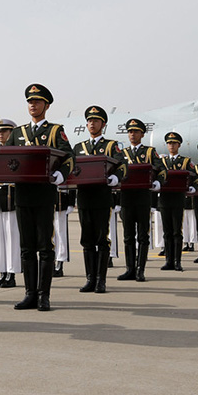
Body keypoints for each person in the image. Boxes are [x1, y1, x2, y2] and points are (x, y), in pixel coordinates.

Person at [6, 83, 75, 311]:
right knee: (26, 247)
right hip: (23, 195)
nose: (32, 105)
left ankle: (44, 295)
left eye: (37, 101)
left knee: (45, 246)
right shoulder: (17, 133)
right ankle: (30, 294)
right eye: (30, 101)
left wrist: (60, 174)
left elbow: (69, 157)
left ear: (46, 105)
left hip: (45, 195)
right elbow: (6, 158)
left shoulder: (55, 131)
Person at [72, 106, 123, 293]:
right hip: (84, 197)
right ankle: (90, 278)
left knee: (102, 239)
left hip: (102, 198)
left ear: (103, 124)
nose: (92, 123)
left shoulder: (111, 146)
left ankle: (101, 280)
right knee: (87, 240)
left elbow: (122, 166)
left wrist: (115, 178)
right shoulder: (79, 147)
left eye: (96, 121)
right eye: (89, 121)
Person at [117, 119, 166, 282]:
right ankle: (129, 268)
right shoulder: (121, 154)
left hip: (143, 197)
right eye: (130, 132)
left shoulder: (150, 152)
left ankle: (140, 269)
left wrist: (158, 181)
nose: (132, 134)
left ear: (142, 134)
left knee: (143, 235)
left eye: (136, 131)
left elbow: (162, 170)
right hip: (126, 197)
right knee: (128, 235)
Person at [0, 118, 20, 289]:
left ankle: (11, 273)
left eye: (5, 131)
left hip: (10, 195)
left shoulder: (16, 151)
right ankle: (1, 272)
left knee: (11, 237)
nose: (1, 134)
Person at [158, 133, 198, 272]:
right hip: (164, 199)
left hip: (178, 199)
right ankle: (168, 261)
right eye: (169, 143)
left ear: (179, 145)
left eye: (174, 143)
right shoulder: (161, 162)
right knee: (167, 232)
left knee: (177, 232)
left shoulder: (186, 162)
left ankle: (177, 261)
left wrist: (193, 188)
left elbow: (196, 178)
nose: (171, 145)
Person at [53, 187, 75, 277]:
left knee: (61, 233)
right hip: (49, 199)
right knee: (50, 234)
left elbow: (72, 181)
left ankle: (60, 261)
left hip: (62, 198)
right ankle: (52, 261)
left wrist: (71, 202)